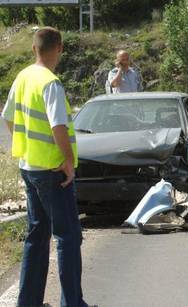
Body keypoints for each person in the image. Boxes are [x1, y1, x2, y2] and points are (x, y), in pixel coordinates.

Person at [1, 27, 93, 307]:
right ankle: (72, 302)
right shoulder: (50, 82)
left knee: (37, 234)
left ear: (33, 49)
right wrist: (67, 161)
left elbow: (8, 118)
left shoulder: (23, 76)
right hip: (52, 170)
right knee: (68, 236)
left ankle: (28, 302)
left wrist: (25, 146)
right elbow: (58, 126)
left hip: (29, 167)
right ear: (60, 48)